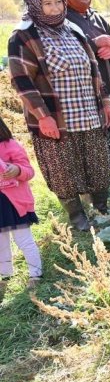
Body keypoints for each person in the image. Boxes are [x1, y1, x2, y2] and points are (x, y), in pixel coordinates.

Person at [8, 0, 110, 232]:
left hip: (88, 114)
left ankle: (102, 211)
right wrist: (43, 116)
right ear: (34, 5)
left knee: (99, 166)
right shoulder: (23, 37)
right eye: (47, 4)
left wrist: (106, 103)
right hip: (56, 119)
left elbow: (94, 71)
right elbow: (23, 82)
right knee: (63, 172)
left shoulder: (73, 31)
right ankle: (78, 219)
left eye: (57, 2)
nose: (54, 9)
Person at [57, 0, 110, 183]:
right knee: (96, 145)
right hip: (86, 95)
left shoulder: (98, 18)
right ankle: (99, 194)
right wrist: (95, 44)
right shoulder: (63, 21)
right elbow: (67, 53)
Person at [0, 115, 42, 304]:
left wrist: (17, 170)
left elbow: (28, 170)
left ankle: (35, 273)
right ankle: (5, 274)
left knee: (23, 239)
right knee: (1, 243)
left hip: (14, 203)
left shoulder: (9, 145)